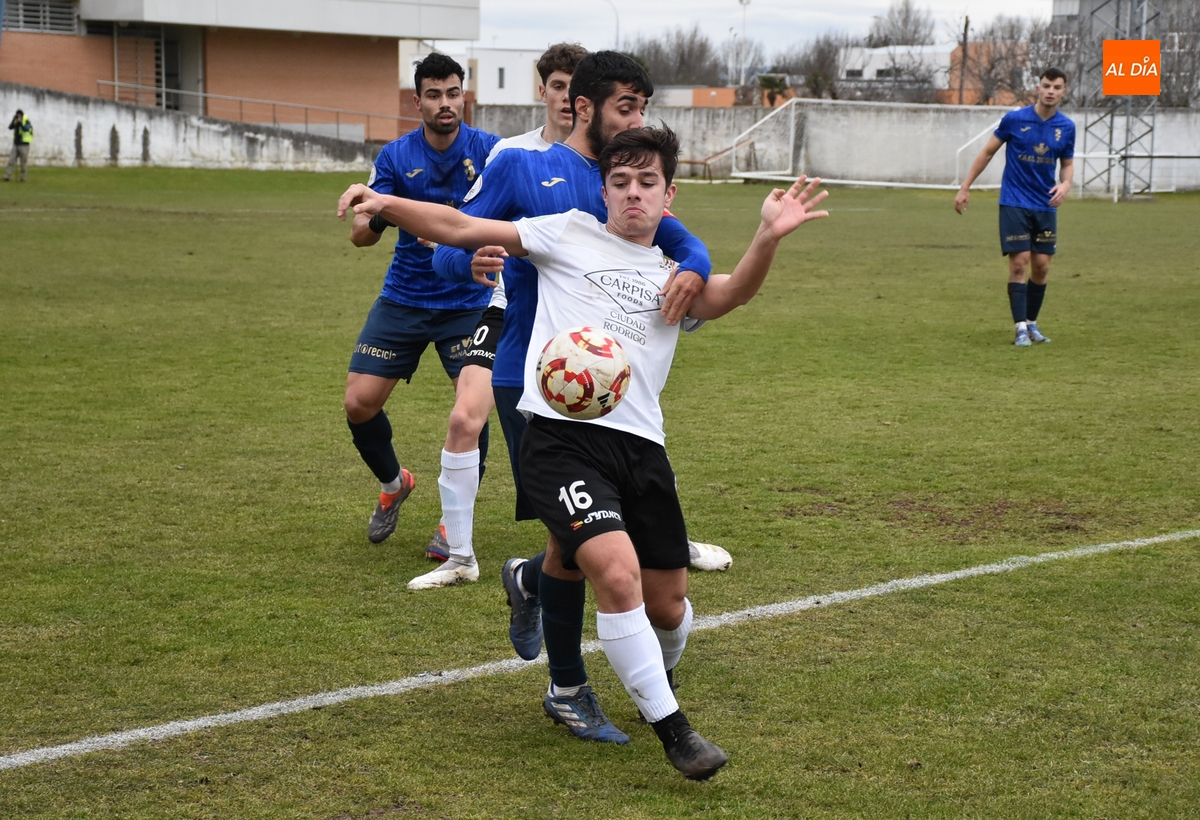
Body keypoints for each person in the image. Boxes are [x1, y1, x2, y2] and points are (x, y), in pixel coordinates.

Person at [338, 126, 829, 779]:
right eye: (620, 182)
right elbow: (459, 227)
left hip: (642, 450)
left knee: (669, 607)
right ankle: (675, 733)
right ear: (603, 191)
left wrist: (767, 236)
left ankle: (651, 669)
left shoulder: (674, 277)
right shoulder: (564, 232)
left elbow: (733, 292)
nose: (632, 193)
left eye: (646, 183)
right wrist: (384, 201)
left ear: (668, 195)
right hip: (559, 441)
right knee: (616, 576)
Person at [428, 51, 716, 744]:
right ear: (584, 107)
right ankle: (566, 685)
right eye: (626, 106)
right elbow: (453, 239)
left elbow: (685, 244)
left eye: (641, 108)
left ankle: (533, 592)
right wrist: (461, 261)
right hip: (536, 379)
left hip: (611, 398)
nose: (637, 120)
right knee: (575, 539)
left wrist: (700, 268)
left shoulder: (629, 179)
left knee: (573, 541)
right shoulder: (522, 166)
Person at [409, 42, 586, 590]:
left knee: (610, 433)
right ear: (543, 90)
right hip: (510, 314)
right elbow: (447, 247)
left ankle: (660, 537)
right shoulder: (512, 156)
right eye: (558, 86)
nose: (568, 100)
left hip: (580, 329)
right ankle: (459, 557)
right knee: (465, 419)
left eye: (578, 89)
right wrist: (471, 261)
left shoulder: (617, 164)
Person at [343, 54, 498, 553]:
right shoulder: (393, 157)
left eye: (453, 92)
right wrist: (386, 212)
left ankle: (456, 521)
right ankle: (394, 485)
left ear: (464, 96)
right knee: (359, 404)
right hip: (406, 297)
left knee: (470, 412)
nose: (445, 103)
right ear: (418, 101)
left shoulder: (491, 152)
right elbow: (361, 237)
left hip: (470, 300)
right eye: (434, 94)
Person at [955, 67, 1075, 347]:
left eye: (1057, 87)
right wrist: (965, 187)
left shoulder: (1067, 127)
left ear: (1063, 92)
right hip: (1014, 202)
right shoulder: (1015, 119)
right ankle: (1020, 327)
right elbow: (986, 153)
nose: (1050, 91)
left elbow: (1067, 165)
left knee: (1042, 267)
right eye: (1046, 85)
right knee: (1020, 263)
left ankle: (1032, 323)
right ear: (1038, 87)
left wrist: (1065, 185)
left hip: (1045, 205)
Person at [4, 109, 33, 183]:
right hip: (16, 144)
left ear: (22, 115)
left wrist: (20, 123)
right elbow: (10, 127)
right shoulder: (16, 120)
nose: (18, 117)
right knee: (11, 160)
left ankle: (23, 178)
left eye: (19, 115)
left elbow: (26, 129)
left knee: (23, 162)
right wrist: (13, 120)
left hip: (24, 144)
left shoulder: (26, 121)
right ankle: (7, 176)